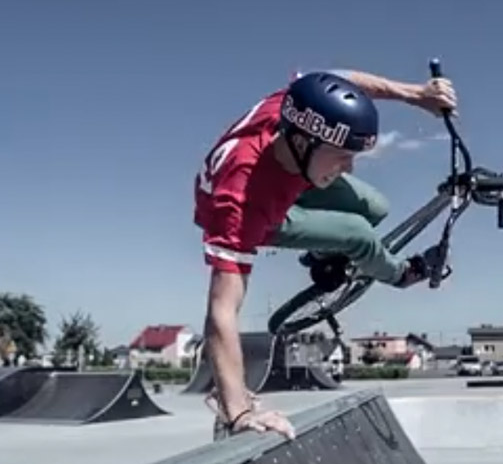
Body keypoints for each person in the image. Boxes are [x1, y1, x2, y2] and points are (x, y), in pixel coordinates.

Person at [194, 68, 458, 441]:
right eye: (341, 157)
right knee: (357, 233)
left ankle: (322, 254)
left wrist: (415, 94)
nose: (349, 167)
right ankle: (400, 274)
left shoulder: (295, 105)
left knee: (375, 205)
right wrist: (237, 411)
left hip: (290, 175)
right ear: (303, 142)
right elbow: (221, 311)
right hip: (262, 209)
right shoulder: (239, 205)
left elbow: (340, 79)